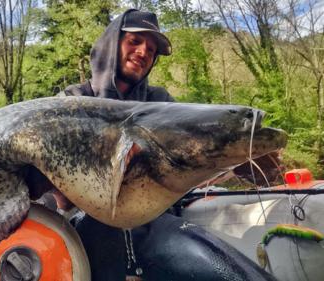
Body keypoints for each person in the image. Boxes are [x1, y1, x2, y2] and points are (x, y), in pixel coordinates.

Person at [57, 9, 278, 281]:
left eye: (151, 49)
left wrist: (235, 163)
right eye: (135, 41)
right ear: (112, 43)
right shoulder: (73, 100)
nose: (143, 52)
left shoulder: (162, 102)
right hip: (88, 225)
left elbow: (189, 164)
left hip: (157, 224)